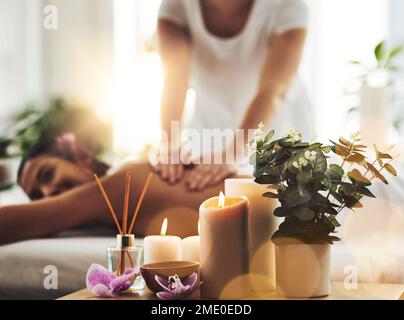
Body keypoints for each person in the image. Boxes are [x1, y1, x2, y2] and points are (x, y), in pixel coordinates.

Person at [152, 0, 313, 191]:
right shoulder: (176, 5)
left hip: (272, 132)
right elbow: (175, 78)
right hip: (209, 129)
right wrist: (170, 143)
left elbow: (272, 91)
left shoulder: (288, 6)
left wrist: (234, 152)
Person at [0, 135, 223, 245]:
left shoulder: (121, 183)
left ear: (82, 156)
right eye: (37, 197)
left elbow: (18, 222)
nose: (48, 193)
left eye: (47, 174)